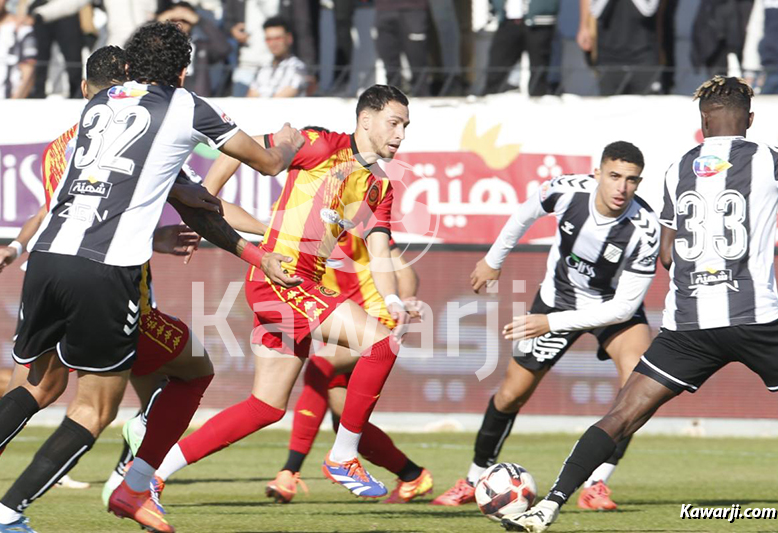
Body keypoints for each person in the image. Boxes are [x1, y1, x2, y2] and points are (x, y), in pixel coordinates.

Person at [0, 22, 304, 533]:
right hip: (105, 273)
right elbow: (261, 166)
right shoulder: (185, 105)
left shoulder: (98, 107)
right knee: (97, 406)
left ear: (127, 68)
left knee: (36, 384)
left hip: (46, 260)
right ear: (182, 70)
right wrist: (285, 145)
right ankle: (8, 514)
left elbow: (118, 189)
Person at [501, 75, 778, 533]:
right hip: (756, 318)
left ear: (702, 122)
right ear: (750, 120)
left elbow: (669, 254)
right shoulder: (771, 161)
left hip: (689, 325)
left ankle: (548, 505)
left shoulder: (677, 169)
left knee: (620, 416)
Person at [150, 85, 418, 504]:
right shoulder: (320, 143)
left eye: (406, 126)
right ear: (366, 120)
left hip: (302, 286)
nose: (401, 134)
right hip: (280, 280)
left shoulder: (379, 188)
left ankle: (151, 473)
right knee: (381, 345)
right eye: (394, 122)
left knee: (266, 407)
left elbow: (380, 251)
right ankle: (343, 456)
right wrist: (207, 197)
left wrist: (395, 302)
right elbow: (244, 146)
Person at [432, 141, 660, 512]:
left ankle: (596, 484)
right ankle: (474, 479)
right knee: (510, 394)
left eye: (631, 180)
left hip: (610, 310)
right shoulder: (567, 191)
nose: (621, 187)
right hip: (558, 299)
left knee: (638, 383)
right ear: (597, 174)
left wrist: (549, 323)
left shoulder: (645, 229)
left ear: (639, 182)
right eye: (614, 176)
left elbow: (624, 308)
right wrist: (493, 260)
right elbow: (525, 213)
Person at [266, 237, 433, 504]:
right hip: (344, 325)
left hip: (377, 321)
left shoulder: (361, 227)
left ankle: (289, 472)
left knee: (319, 368)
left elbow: (404, 270)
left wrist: (407, 299)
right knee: (344, 420)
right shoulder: (308, 231)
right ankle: (412, 475)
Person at [156, 1, 231, 97]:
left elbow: (224, 49)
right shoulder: (157, 46)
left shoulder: (201, 45)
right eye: (174, 20)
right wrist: (157, 21)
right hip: (166, 96)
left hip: (197, 97)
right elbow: (136, 48)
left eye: (185, 20)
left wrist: (200, 21)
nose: (179, 24)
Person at [484, 0, 559, 96]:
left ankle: (538, 102)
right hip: (507, 21)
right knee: (496, 70)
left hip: (539, 21)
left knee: (538, 74)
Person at [374, 0, 430, 96]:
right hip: (384, 9)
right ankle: (392, 98)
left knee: (418, 62)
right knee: (389, 62)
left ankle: (422, 96)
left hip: (413, 10)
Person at [247, 16, 308, 98]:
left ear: (289, 38)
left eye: (278, 38)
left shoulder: (298, 68)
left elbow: (281, 100)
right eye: (269, 39)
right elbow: (250, 99)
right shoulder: (263, 69)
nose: (273, 43)